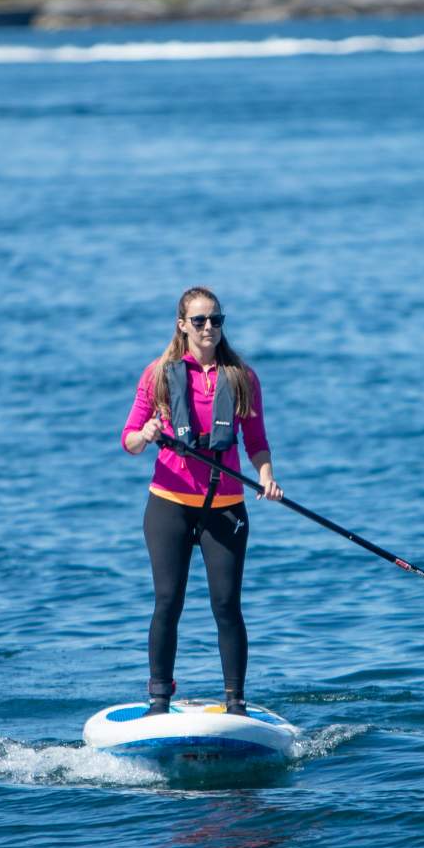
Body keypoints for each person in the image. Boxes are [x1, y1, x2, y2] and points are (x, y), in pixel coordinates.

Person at [121, 288, 282, 716]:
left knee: (226, 604)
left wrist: (266, 477)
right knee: (168, 601)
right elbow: (130, 440)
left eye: (216, 320)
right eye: (199, 321)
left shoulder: (240, 377)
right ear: (182, 325)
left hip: (225, 504)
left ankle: (236, 703)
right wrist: (149, 433)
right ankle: (158, 701)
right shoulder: (159, 374)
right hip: (169, 502)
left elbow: (257, 442)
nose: (208, 327)